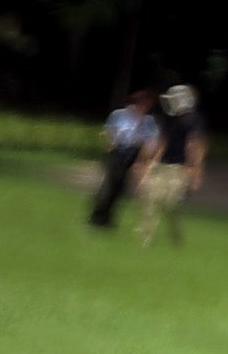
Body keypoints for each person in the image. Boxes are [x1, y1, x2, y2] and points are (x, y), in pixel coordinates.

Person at [133, 85, 203, 245]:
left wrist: (196, 170)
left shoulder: (193, 122)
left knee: (171, 202)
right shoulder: (165, 119)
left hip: (179, 168)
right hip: (161, 165)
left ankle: (175, 231)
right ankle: (146, 238)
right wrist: (147, 163)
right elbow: (159, 142)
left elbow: (193, 146)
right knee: (151, 198)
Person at [86, 88, 155, 232]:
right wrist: (111, 146)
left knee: (121, 189)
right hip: (117, 151)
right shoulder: (120, 115)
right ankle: (97, 216)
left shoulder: (148, 121)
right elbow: (108, 132)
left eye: (146, 105)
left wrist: (142, 161)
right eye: (142, 104)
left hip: (133, 154)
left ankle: (109, 218)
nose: (143, 108)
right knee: (109, 185)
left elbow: (150, 142)